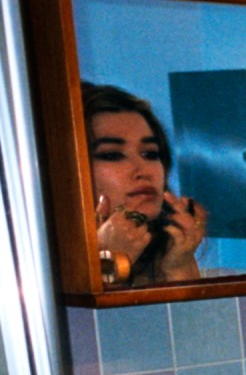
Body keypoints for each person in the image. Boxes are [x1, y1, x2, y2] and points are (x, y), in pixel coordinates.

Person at [83, 82, 206, 284]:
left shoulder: (163, 250)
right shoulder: (34, 264)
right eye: (112, 155)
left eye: (150, 153)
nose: (144, 170)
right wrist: (110, 263)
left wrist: (180, 267)